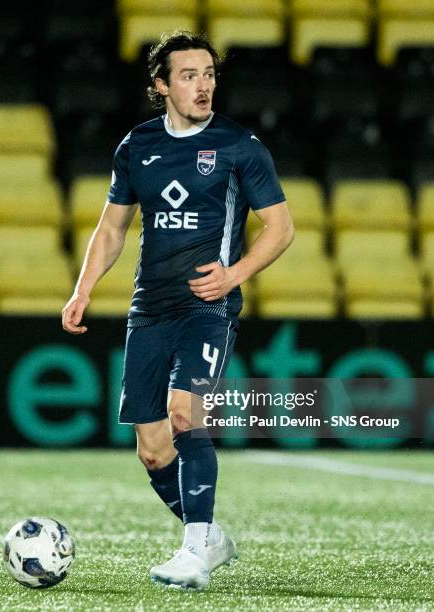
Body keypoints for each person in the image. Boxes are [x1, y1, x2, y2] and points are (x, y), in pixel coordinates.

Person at [62, 30, 294, 590]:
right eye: (189, 76)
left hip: (208, 308)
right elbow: (113, 228)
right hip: (150, 310)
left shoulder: (240, 146)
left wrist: (235, 274)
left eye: (209, 74)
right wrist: (84, 287)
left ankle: (194, 551)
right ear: (161, 86)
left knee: (185, 412)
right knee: (151, 449)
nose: (203, 85)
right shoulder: (136, 146)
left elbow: (281, 228)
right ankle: (209, 536)